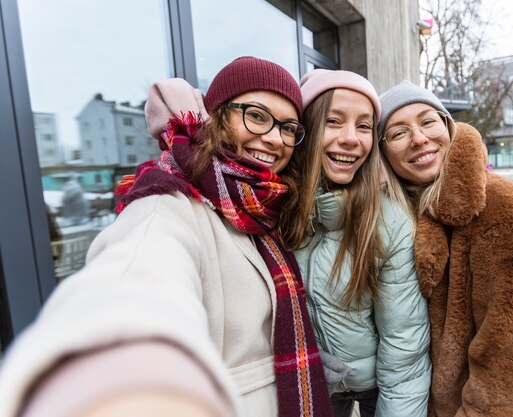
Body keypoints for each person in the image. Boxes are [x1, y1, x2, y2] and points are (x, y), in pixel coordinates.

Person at [0, 56, 333, 417]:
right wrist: (115, 378)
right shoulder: (168, 203)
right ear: (218, 115)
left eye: (288, 127)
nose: (273, 138)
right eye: (256, 115)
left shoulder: (265, 211)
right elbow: (136, 280)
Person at [377, 80, 513, 417]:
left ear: (448, 128)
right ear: (384, 153)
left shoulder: (507, 213)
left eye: (428, 121)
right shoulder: (404, 217)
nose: (418, 138)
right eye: (398, 132)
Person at [279, 70, 431, 417]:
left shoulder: (389, 222)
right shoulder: (278, 209)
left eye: (364, 126)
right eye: (334, 121)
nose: (351, 139)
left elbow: (404, 345)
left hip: (376, 389)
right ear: (306, 130)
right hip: (311, 383)